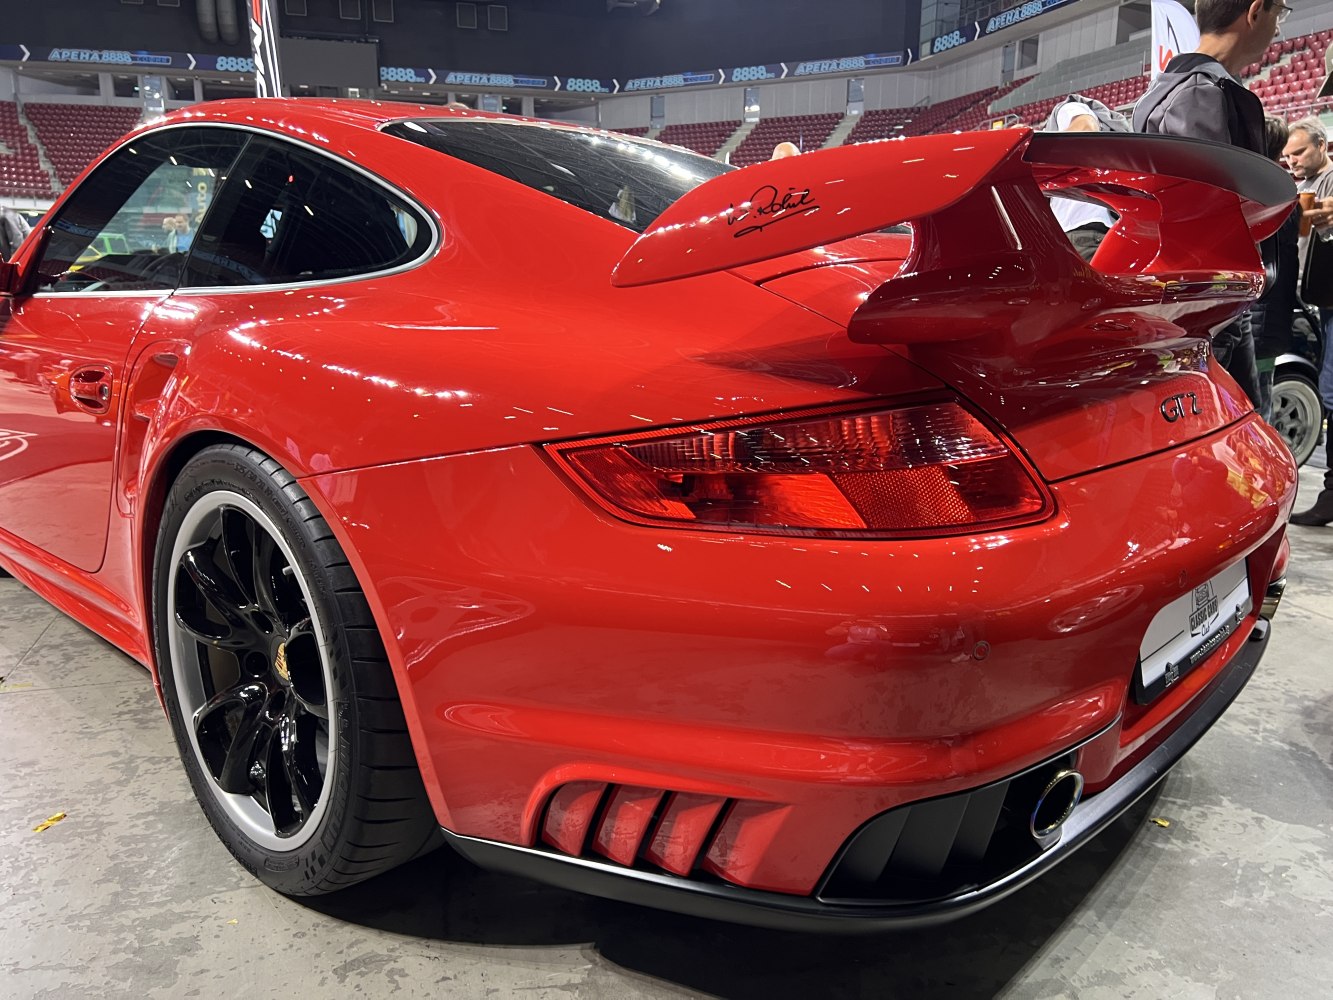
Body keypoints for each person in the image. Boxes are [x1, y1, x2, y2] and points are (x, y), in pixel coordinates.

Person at [1132, 0, 1289, 410]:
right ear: (1255, 12)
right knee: (1238, 437)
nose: (1278, 29)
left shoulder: (1167, 88)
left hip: (1193, 300)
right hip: (1214, 303)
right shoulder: (1204, 92)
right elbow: (1208, 214)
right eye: (1279, 14)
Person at [1282, 119, 1333, 524]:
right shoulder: (1300, 184)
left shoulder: (1329, 181)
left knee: (1330, 394)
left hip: (1325, 299)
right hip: (1313, 297)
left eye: (1298, 153)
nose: (1292, 160)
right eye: (1287, 155)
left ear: (1321, 145)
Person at [1250, 117, 1299, 423]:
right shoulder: (1283, 190)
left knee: (1257, 406)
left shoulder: (1262, 192)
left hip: (1259, 317)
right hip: (1270, 317)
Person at [1044, 101, 1118, 262]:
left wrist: (1036, 150)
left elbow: (1086, 127)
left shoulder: (1067, 108)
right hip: (1091, 233)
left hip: (1081, 234)